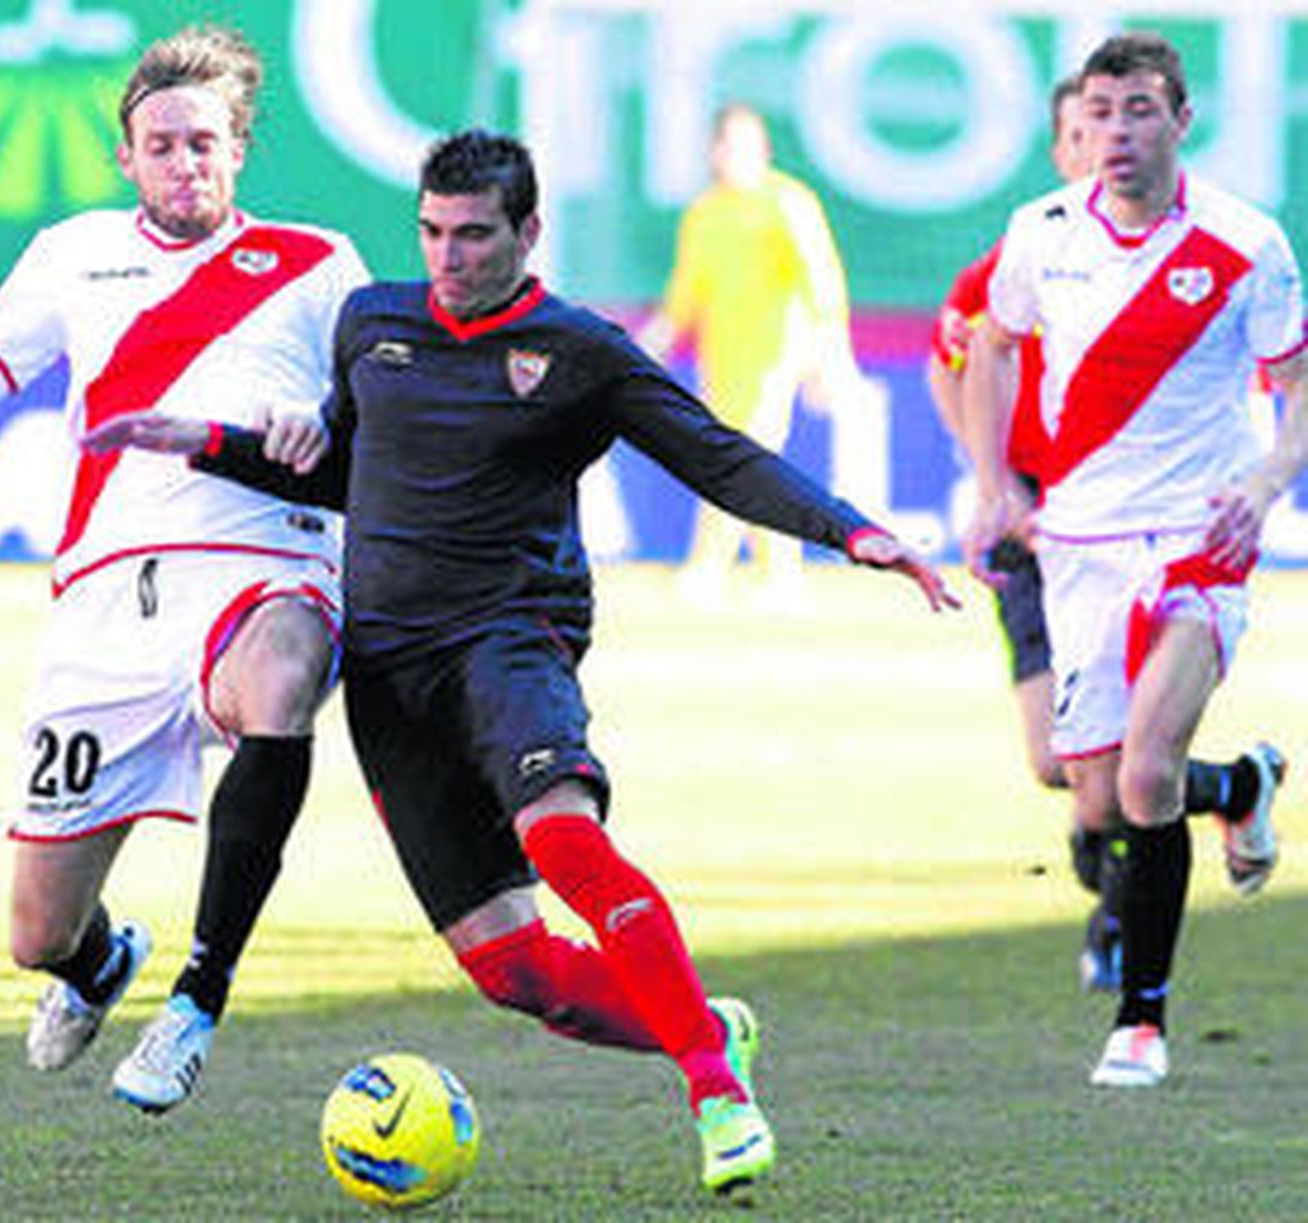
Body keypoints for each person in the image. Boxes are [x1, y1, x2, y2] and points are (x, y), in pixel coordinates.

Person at [87, 129, 958, 1195]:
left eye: (473, 235)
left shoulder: (579, 351)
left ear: (527, 231)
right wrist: (212, 442)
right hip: (390, 675)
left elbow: (715, 454)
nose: (447, 257)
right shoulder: (374, 324)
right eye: (431, 233)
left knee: (566, 840)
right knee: (515, 971)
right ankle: (702, 1022)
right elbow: (355, 471)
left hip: (509, 641)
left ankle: (716, 1095)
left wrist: (849, 530)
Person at [0, 24, 368, 1114]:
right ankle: (101, 963)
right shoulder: (72, 254)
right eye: (162, 145)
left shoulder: (318, 262)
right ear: (126, 158)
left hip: (264, 558)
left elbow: (376, 418)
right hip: (107, 607)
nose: (184, 163)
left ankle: (197, 996)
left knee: (284, 673)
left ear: (239, 149)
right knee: (37, 932)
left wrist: (320, 420)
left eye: (203, 143)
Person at [962, 32, 1306, 1088]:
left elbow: (1295, 384)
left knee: (1149, 769)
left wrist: (1264, 482)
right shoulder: (1041, 233)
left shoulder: (1245, 242)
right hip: (1080, 547)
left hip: (1201, 538)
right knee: (1101, 791)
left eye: (1139, 110)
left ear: (1180, 120)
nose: (1116, 132)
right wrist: (993, 484)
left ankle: (1139, 1022)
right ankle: (1241, 783)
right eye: (1101, 112)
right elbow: (991, 346)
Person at [639, 102, 880, 612]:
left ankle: (713, 567)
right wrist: (656, 340)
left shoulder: (787, 203)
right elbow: (687, 290)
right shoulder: (705, 212)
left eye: (749, 144)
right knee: (740, 458)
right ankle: (777, 573)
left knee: (743, 455)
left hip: (777, 354)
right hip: (722, 358)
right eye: (729, 144)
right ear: (714, 151)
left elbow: (820, 279)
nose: (739, 155)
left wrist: (829, 353)